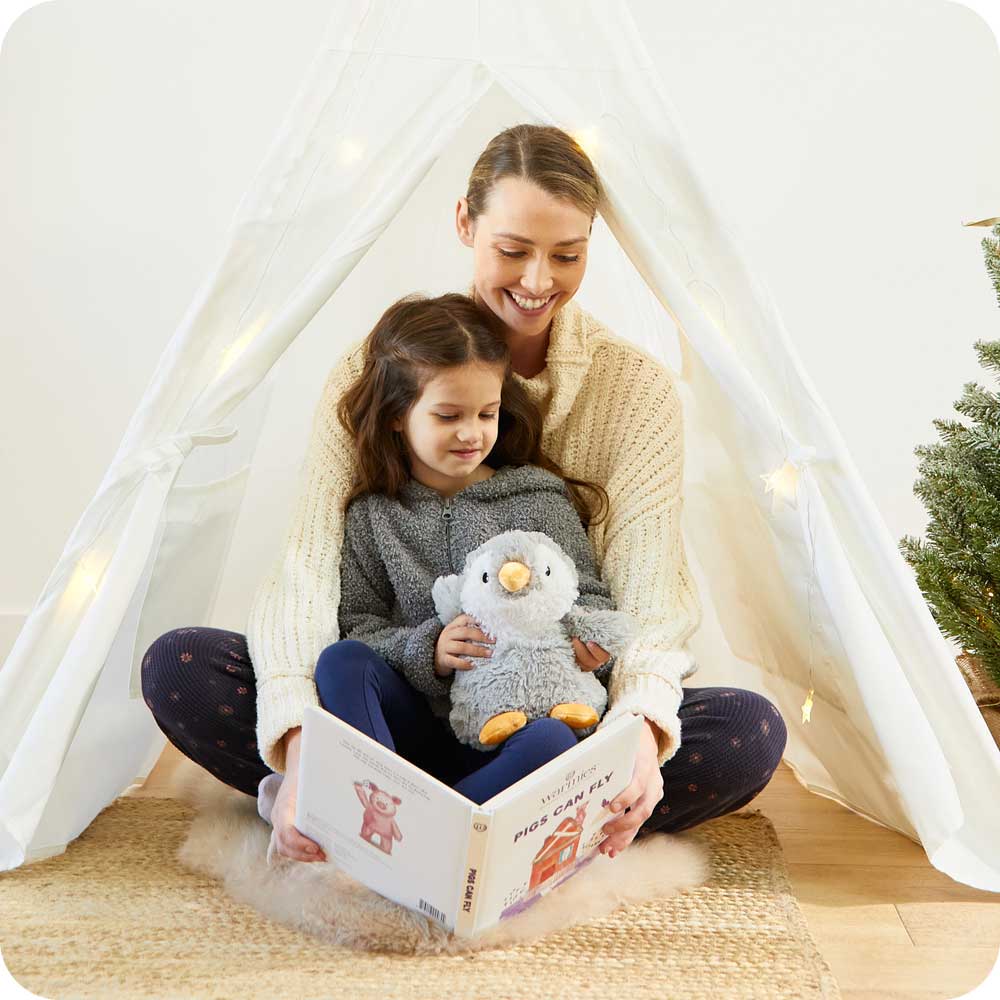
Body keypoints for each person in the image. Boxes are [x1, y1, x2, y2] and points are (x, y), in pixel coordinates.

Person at [141, 123, 787, 867]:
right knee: (182, 666)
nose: (538, 280)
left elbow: (643, 599)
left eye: (568, 255)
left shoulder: (631, 393)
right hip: (396, 708)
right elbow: (310, 576)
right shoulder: (376, 369)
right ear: (464, 224)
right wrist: (298, 754)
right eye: (513, 250)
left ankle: (473, 831)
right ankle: (385, 812)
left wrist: (637, 731)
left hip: (549, 712)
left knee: (746, 730)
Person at [256, 290, 629, 830]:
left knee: (554, 739)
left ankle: (417, 835)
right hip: (409, 741)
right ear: (395, 417)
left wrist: (590, 645)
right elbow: (359, 627)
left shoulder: (540, 499)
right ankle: (386, 808)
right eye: (448, 415)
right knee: (340, 663)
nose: (472, 433)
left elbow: (587, 596)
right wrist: (429, 649)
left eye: (487, 413)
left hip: (511, 734)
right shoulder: (375, 516)